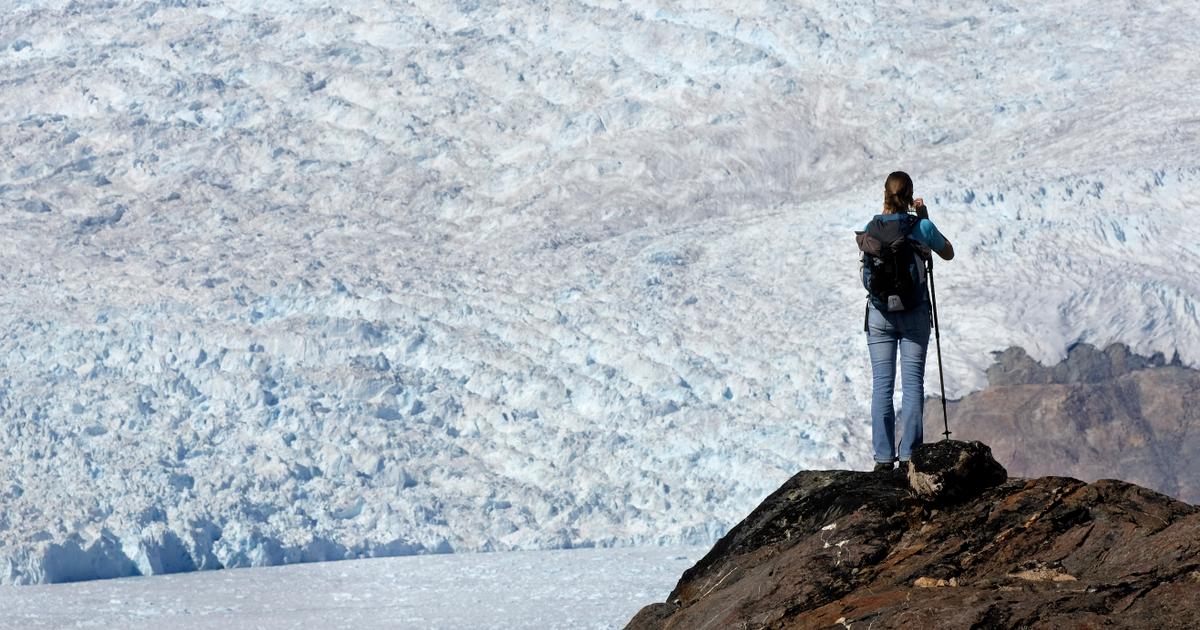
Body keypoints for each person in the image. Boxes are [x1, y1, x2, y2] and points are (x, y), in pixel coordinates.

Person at [859, 171, 954, 473]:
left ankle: (883, 459)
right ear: (910, 196)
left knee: (882, 387)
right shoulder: (921, 226)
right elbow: (948, 253)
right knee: (913, 385)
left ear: (884, 195)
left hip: (880, 317)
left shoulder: (870, 228)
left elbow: (867, 274)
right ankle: (910, 455)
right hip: (913, 315)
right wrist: (924, 217)